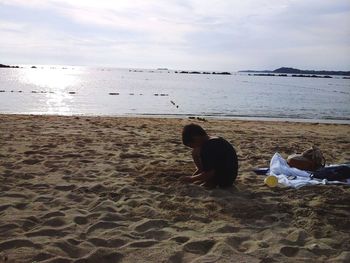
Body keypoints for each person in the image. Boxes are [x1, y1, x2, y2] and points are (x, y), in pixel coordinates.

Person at [181, 123, 238, 188]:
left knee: (197, 152)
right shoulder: (214, 139)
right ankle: (202, 173)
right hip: (231, 175)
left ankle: (210, 182)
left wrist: (191, 179)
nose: (193, 148)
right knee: (195, 152)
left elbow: (210, 173)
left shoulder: (207, 148)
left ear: (196, 138)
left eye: (192, 145)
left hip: (223, 180)